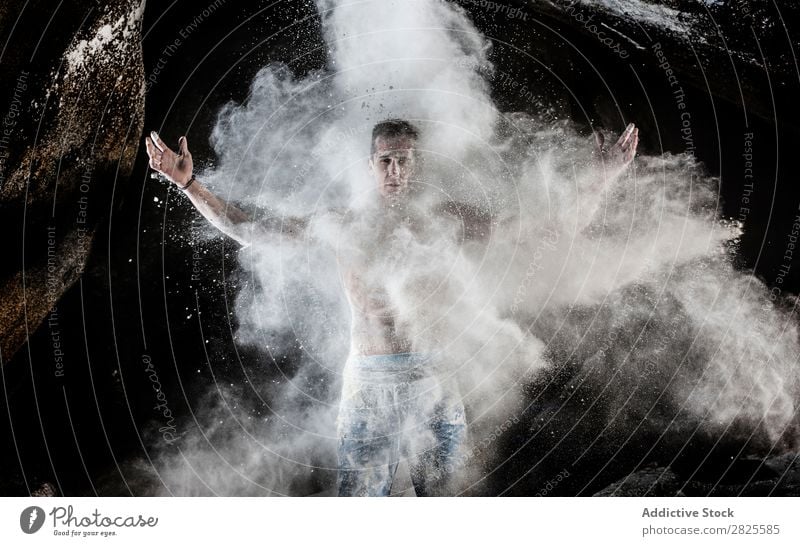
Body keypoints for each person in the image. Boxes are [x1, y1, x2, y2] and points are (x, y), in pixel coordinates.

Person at [144, 118, 638, 495]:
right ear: (371, 166)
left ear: (418, 164)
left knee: (441, 506)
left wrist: (605, 179)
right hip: (369, 386)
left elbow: (542, 230)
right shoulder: (343, 224)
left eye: (405, 159)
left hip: (433, 379)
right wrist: (189, 185)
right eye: (385, 161)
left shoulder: (449, 219)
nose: (396, 170)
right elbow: (249, 228)